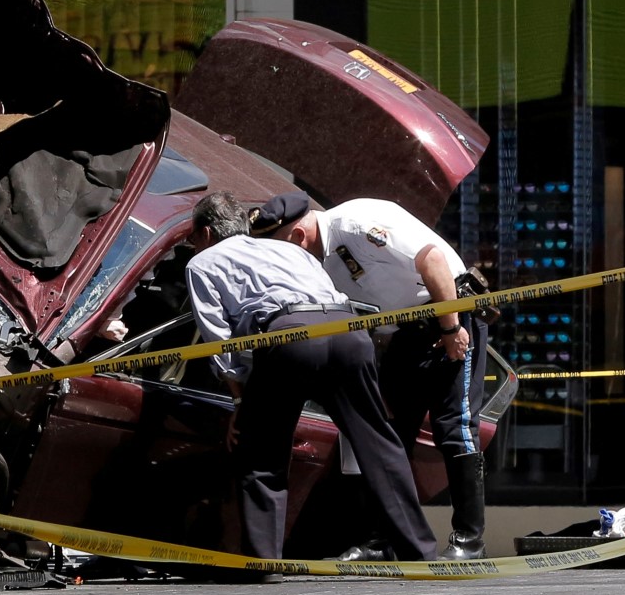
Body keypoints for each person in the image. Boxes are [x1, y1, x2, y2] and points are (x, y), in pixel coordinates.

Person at [184, 191, 438, 575]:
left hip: (289, 337)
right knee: (379, 443)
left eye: (192, 236)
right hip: (347, 332)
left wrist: (240, 402)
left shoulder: (202, 262)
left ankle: (264, 563)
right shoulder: (291, 251)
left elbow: (219, 338)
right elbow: (333, 293)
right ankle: (420, 554)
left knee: (262, 451)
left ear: (204, 232)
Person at [248, 190, 490, 561]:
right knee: (391, 435)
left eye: (283, 249)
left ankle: (469, 540)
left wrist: (450, 327)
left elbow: (434, 259)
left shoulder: (357, 223)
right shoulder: (318, 259)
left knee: (455, 428)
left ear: (297, 236)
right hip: (403, 335)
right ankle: (382, 538)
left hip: (447, 317)